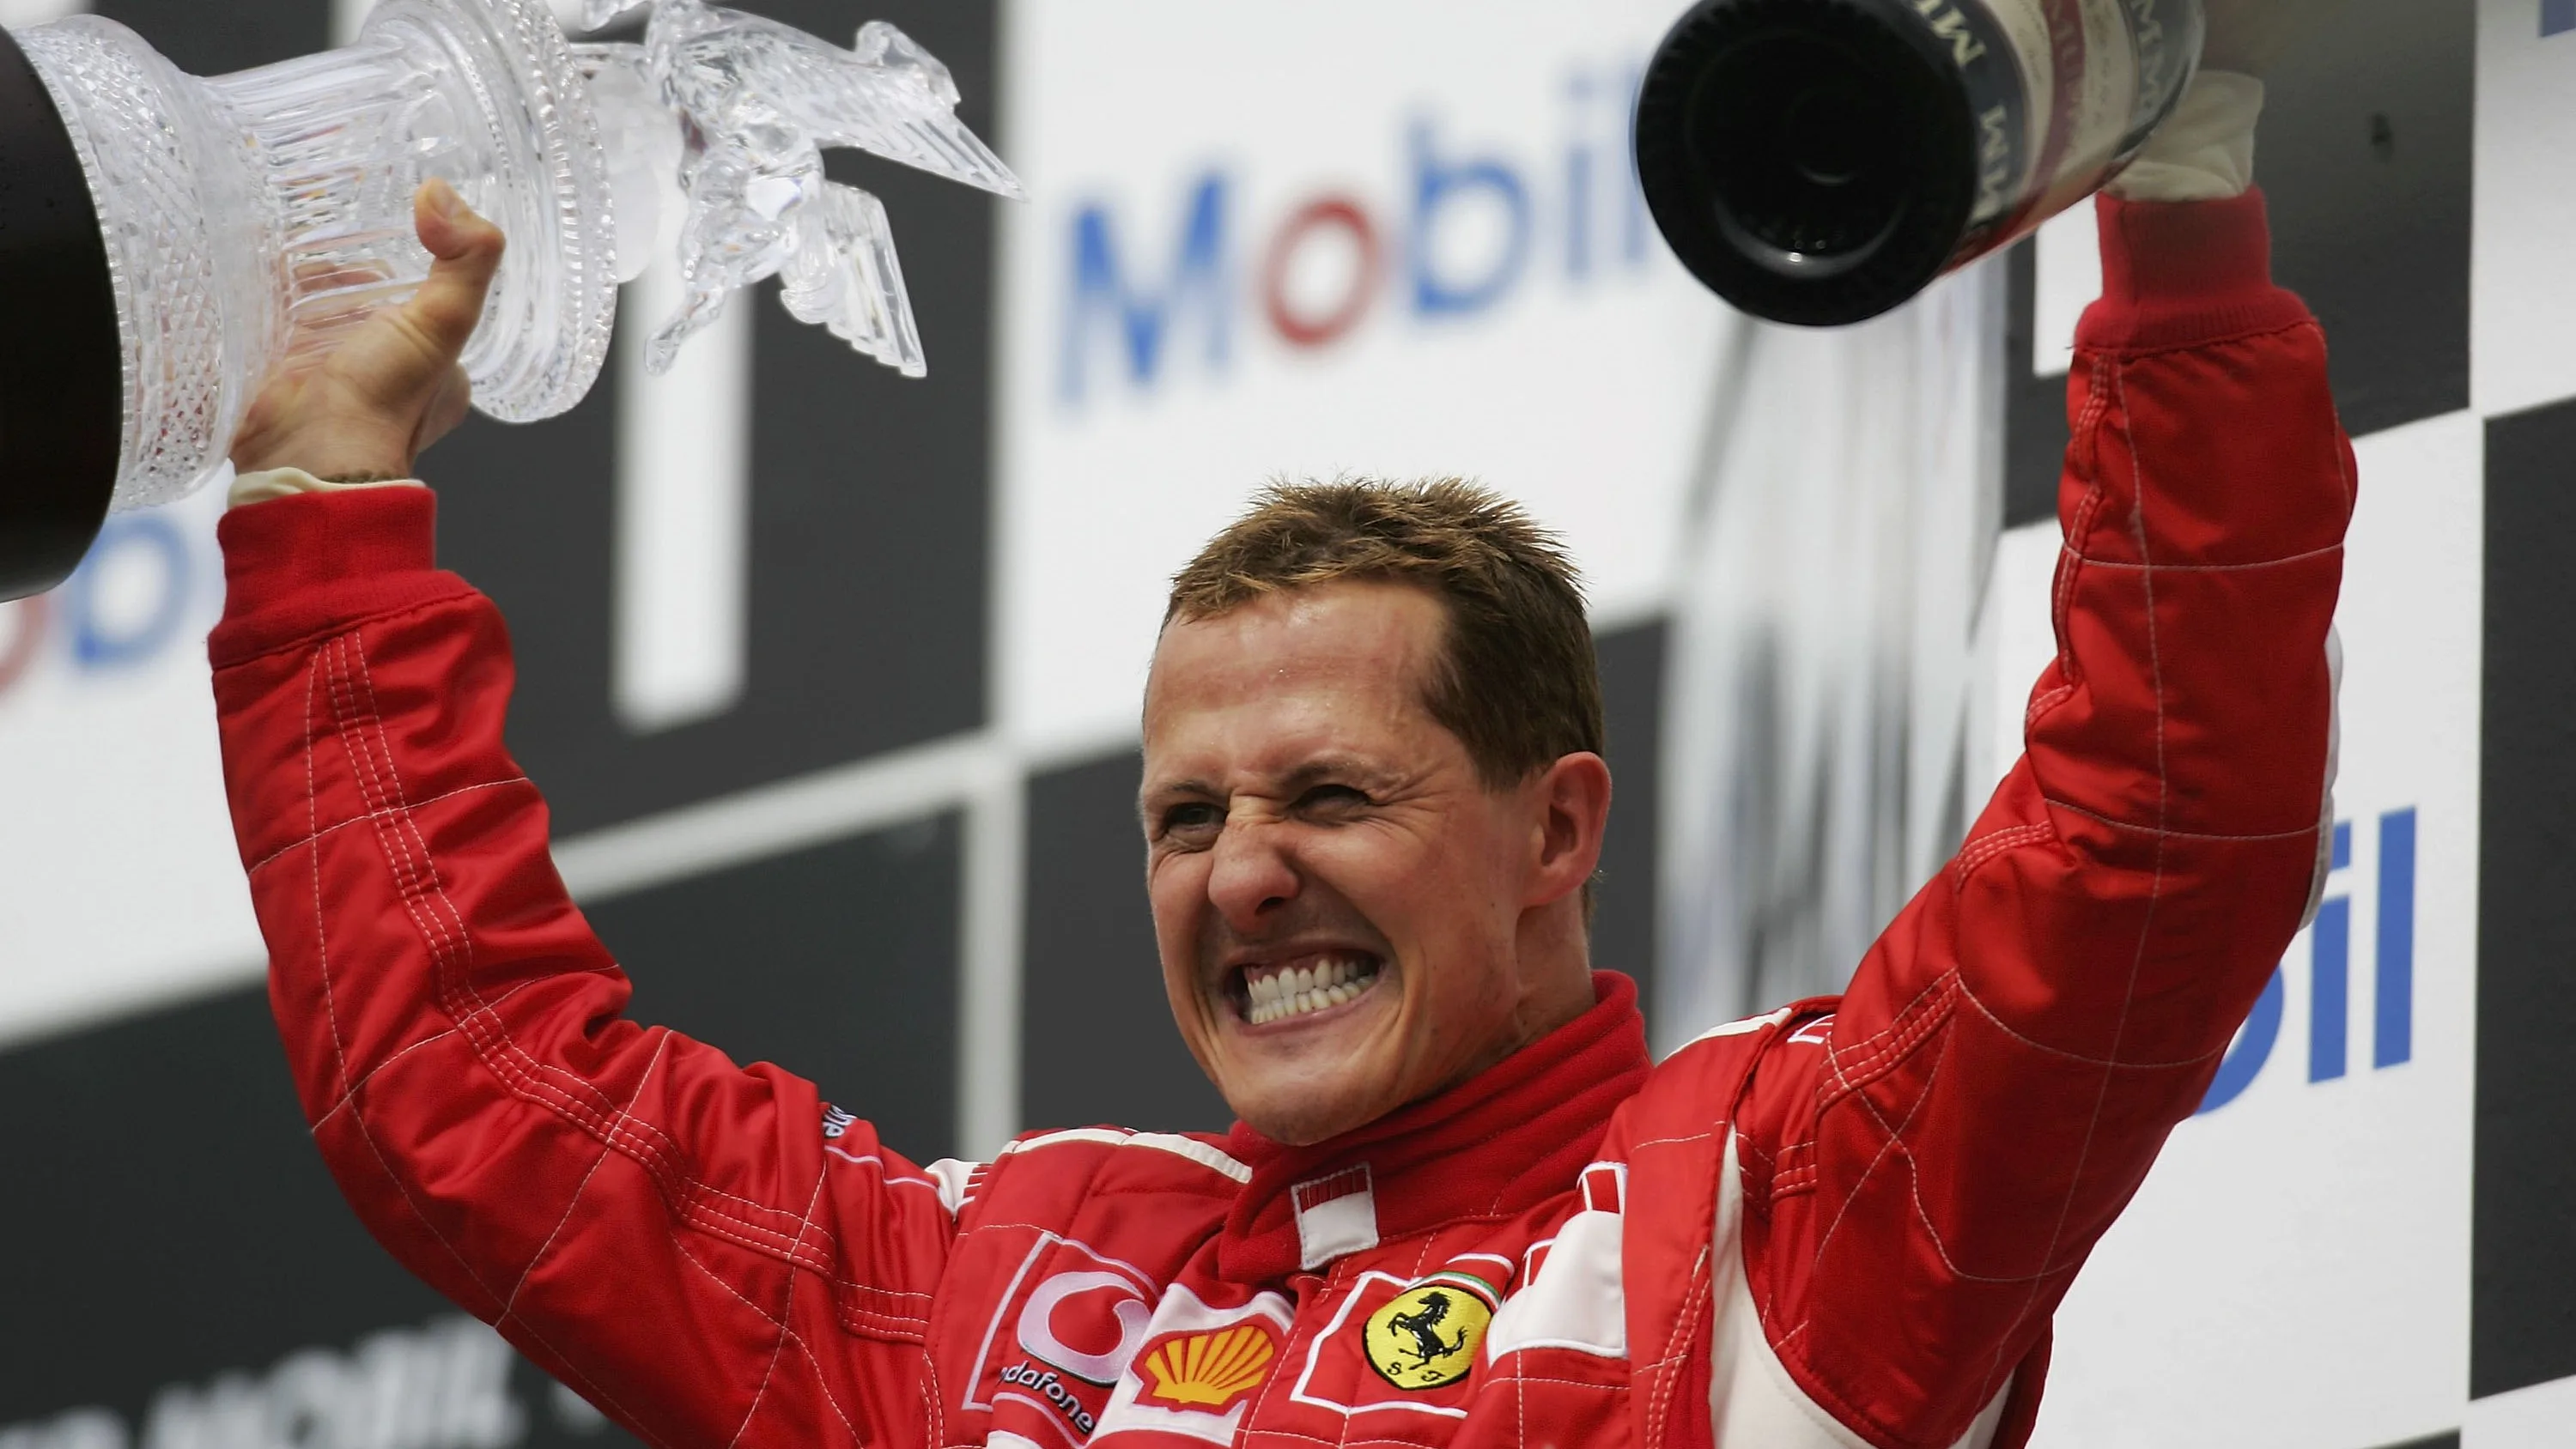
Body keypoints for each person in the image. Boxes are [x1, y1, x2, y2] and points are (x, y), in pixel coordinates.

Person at [205, 5, 2350, 1446]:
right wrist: (322, 515)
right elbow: (475, 1100)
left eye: (1332, 793)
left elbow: (2158, 828)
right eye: (1185, 814)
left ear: (1554, 825)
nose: (1241, 874)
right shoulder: (1006, 1292)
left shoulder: (1766, 1213)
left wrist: (2178, 218)